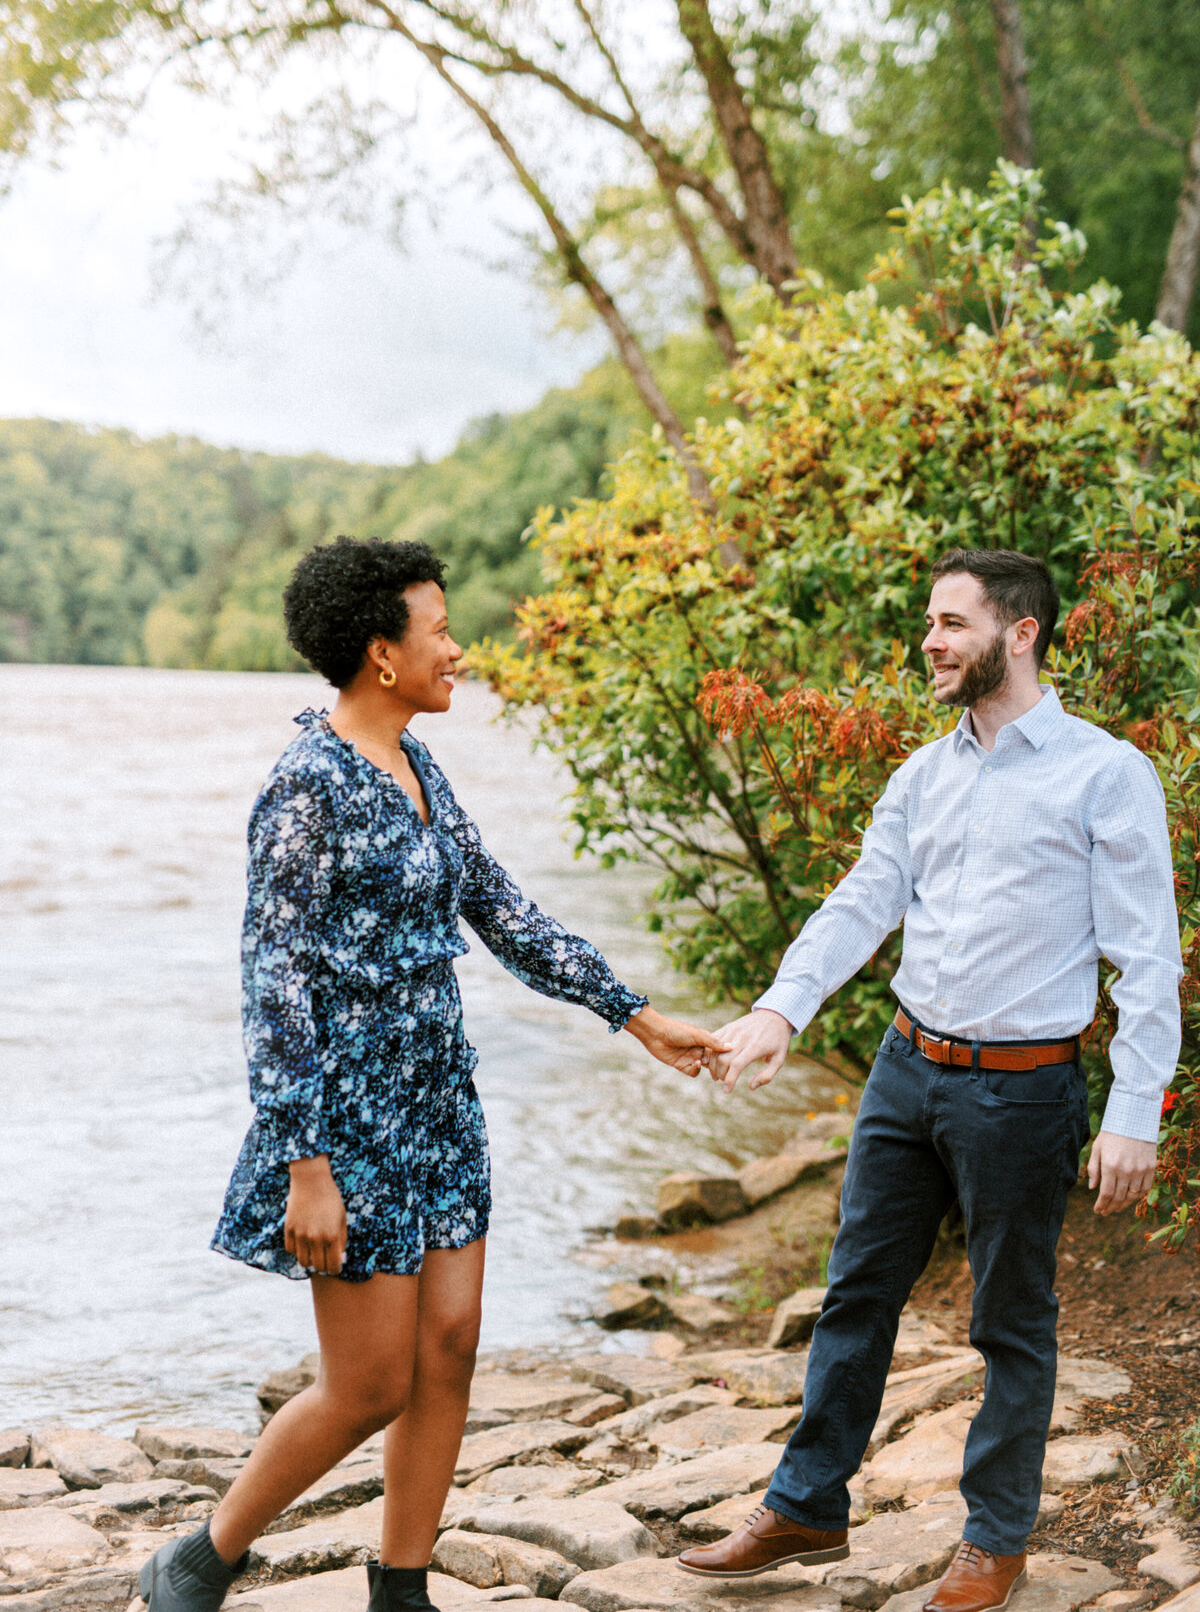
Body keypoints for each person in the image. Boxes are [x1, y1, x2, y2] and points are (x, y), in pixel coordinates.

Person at [138, 536, 725, 1612]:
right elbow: (273, 986)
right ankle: (201, 1555)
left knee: (450, 1346)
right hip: (345, 1123)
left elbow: (501, 910)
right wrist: (304, 1163)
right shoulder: (306, 785)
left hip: (439, 1103)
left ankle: (400, 1587)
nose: (458, 647)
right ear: (381, 654)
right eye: (440, 630)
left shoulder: (417, 766)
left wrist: (634, 1015)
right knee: (367, 1385)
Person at [676, 547, 1182, 1612]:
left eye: (952, 623)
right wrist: (780, 1009)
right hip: (908, 1072)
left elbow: (1147, 956)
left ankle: (995, 1541)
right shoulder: (922, 772)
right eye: (930, 625)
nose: (932, 643)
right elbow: (863, 902)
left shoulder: (1104, 773)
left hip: (1024, 1090)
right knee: (855, 1293)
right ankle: (809, 1503)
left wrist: (1135, 1111)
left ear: (1023, 632)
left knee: (1011, 1320)